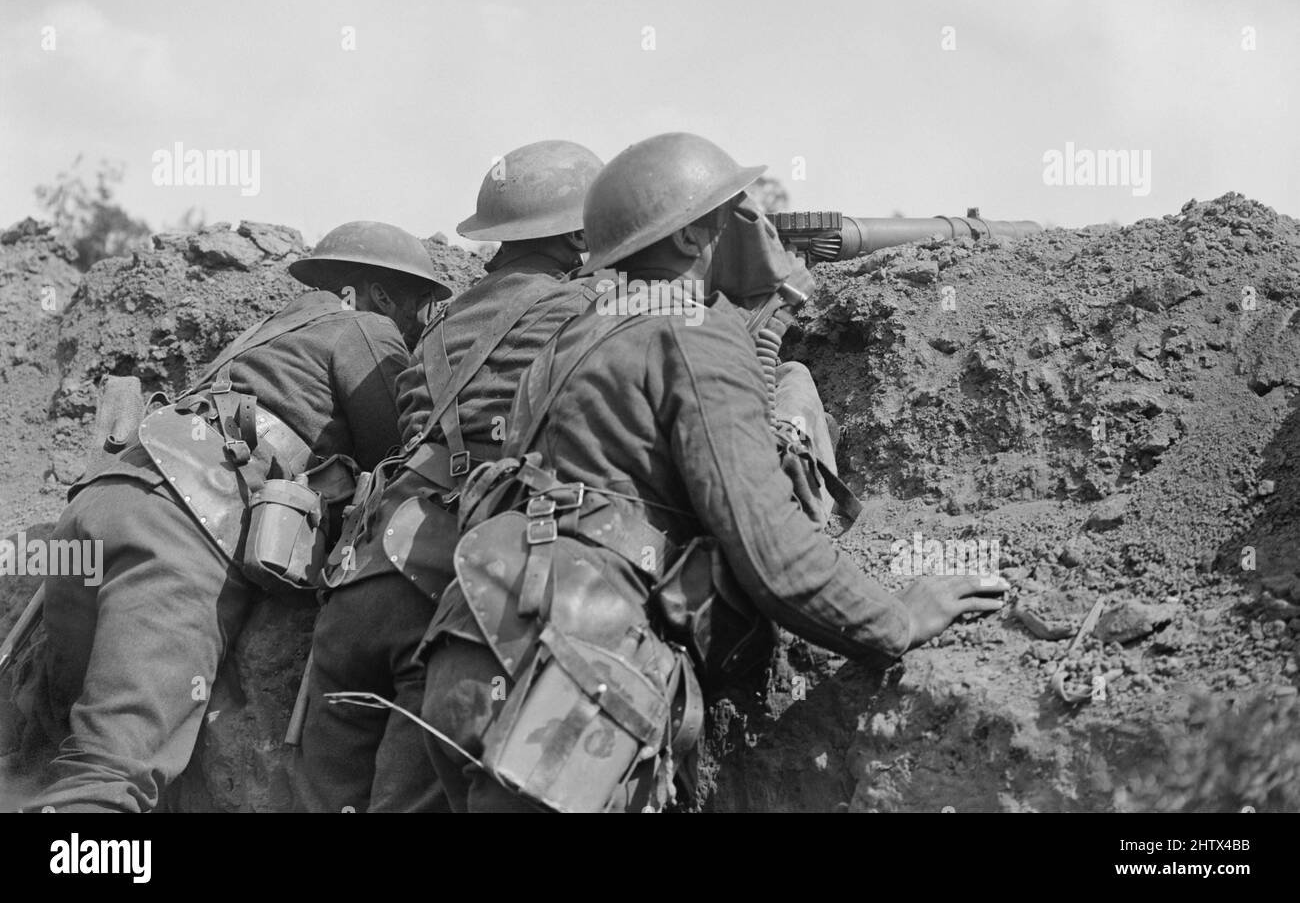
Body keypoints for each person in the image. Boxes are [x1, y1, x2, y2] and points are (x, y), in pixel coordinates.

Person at [418, 132, 1008, 812]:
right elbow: (769, 544)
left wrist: (758, 313)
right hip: (575, 666)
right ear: (691, 233)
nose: (750, 224)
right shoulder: (691, 329)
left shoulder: (577, 332)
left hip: (475, 640)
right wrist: (893, 619)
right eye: (736, 210)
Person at [25, 222, 445, 813]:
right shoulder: (367, 328)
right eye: (418, 306)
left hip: (105, 498)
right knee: (110, 773)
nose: (418, 321)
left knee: (51, 733)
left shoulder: (264, 335)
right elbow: (394, 455)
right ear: (380, 295)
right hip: (181, 521)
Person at [293, 141, 603, 812]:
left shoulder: (435, 330)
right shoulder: (583, 310)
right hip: (442, 583)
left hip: (359, 580)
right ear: (581, 232)